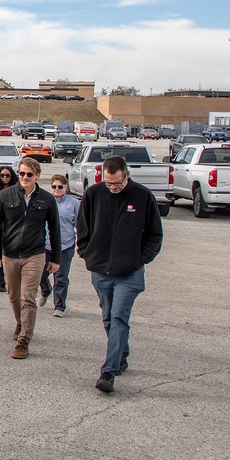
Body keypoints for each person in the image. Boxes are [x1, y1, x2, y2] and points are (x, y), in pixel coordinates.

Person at [77, 156, 163, 393]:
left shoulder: (143, 197)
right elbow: (82, 226)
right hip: (100, 269)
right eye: (108, 183)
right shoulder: (94, 194)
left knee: (118, 317)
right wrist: (86, 251)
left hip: (129, 273)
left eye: (117, 183)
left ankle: (108, 372)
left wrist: (140, 258)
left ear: (127, 176)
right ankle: (121, 354)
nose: (113, 187)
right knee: (107, 316)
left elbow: (155, 234)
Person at [0, 157, 60, 360]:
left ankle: (24, 341)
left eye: (29, 174)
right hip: (10, 254)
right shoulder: (5, 196)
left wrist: (55, 258)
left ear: (37, 175)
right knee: (13, 296)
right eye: (21, 174)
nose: (25, 177)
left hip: (35, 254)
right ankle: (20, 322)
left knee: (28, 297)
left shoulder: (46, 199)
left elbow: (55, 230)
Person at [38, 174, 80, 316]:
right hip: (46, 245)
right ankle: (45, 289)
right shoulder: (45, 201)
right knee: (40, 274)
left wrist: (81, 241)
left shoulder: (74, 203)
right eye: (54, 186)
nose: (57, 189)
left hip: (65, 245)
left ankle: (59, 307)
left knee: (61, 277)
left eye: (60, 187)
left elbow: (79, 224)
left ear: (66, 187)